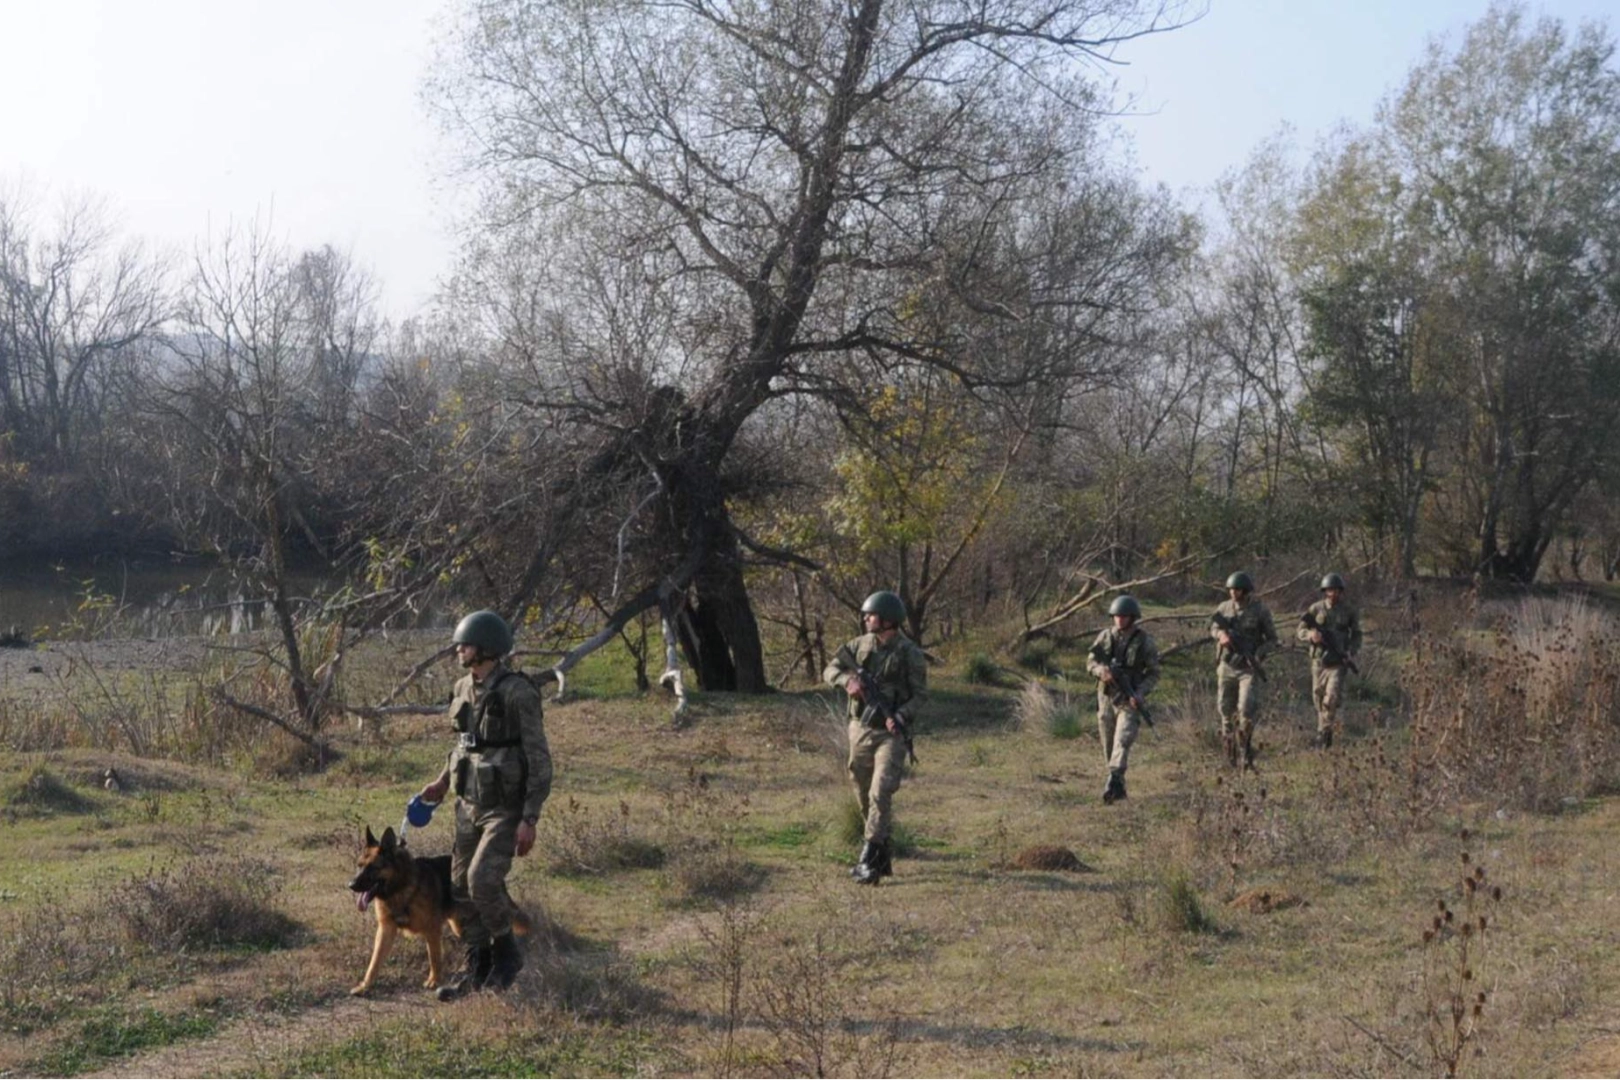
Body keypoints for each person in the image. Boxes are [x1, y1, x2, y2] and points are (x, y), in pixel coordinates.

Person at [418, 609, 552, 1000]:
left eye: (467, 644)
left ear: (488, 649)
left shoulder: (517, 692)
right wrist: (442, 782)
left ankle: (507, 956)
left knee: (482, 882)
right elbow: (464, 744)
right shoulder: (463, 688)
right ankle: (477, 968)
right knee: (459, 887)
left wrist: (530, 817)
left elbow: (539, 757)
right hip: (468, 802)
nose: (459, 649)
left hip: (505, 807)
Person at [822, 590, 927, 885]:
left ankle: (866, 860)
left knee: (880, 793)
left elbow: (921, 695)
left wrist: (902, 716)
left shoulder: (910, 653)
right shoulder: (859, 645)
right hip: (860, 729)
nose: (866, 618)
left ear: (888, 620)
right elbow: (830, 669)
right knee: (862, 789)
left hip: (891, 734)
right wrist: (847, 681)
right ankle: (881, 854)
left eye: (872, 615)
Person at [1086, 594, 1160, 804]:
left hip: (1129, 698)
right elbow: (1090, 661)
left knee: (1123, 739)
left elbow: (1154, 673)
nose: (1119, 619)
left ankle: (1113, 780)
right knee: (1108, 743)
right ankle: (1118, 784)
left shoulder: (1145, 641)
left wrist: (1140, 693)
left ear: (1132, 617)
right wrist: (1101, 671)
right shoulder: (1105, 637)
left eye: (1124, 616)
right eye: (1116, 615)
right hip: (1106, 696)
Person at [1209, 571, 1278, 768]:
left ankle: (1245, 751)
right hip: (1226, 665)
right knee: (1225, 709)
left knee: (1246, 709)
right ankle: (1229, 753)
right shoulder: (1223, 608)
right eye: (1230, 589)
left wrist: (1258, 655)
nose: (1233, 593)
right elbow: (1212, 627)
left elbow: (1273, 640)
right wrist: (1220, 635)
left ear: (1245, 590)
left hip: (1248, 668)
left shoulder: (1260, 610)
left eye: (1237, 589)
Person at [1297, 573, 1363, 748]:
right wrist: (1311, 635)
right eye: (1329, 590)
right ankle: (1323, 731)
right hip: (1319, 661)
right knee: (1318, 698)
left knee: (1331, 699)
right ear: (1325, 591)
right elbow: (1301, 630)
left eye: (1336, 590)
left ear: (1341, 592)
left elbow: (1357, 635)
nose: (1333, 594)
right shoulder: (1316, 609)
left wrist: (1351, 651)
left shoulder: (1349, 610)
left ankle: (1325, 734)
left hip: (1338, 661)